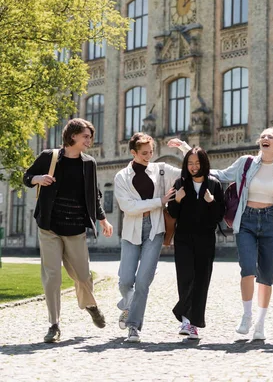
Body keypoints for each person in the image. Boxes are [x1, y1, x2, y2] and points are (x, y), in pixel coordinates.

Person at [23, 118, 113, 343]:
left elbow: (94, 194)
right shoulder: (49, 157)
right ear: (72, 136)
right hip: (49, 227)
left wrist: (103, 220)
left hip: (75, 229)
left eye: (90, 137)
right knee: (52, 277)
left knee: (82, 275)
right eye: (86, 136)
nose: (89, 140)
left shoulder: (89, 163)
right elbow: (26, 177)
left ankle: (90, 305)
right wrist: (38, 178)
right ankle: (54, 325)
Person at [211, 127, 273, 340]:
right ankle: (246, 316)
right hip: (246, 219)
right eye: (263, 136)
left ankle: (260, 323)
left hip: (271, 221)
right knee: (247, 268)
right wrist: (192, 162)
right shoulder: (245, 162)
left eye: (270, 137)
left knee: (266, 274)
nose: (265, 138)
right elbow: (221, 175)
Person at [114, 132, 190, 343]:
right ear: (133, 152)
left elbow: (191, 168)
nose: (149, 156)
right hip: (131, 231)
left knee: (142, 283)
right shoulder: (121, 176)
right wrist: (159, 201)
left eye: (151, 152)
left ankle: (133, 327)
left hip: (155, 230)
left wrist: (183, 148)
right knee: (126, 281)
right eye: (144, 153)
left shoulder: (162, 170)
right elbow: (128, 207)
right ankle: (128, 304)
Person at [167, 147, 224, 340]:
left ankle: (193, 323)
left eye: (197, 163)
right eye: (190, 163)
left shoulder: (214, 185)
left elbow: (219, 216)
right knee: (185, 278)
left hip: (206, 240)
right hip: (183, 238)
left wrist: (212, 201)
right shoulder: (180, 183)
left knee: (201, 280)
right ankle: (185, 321)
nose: (193, 167)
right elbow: (173, 213)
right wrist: (177, 200)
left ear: (204, 164)